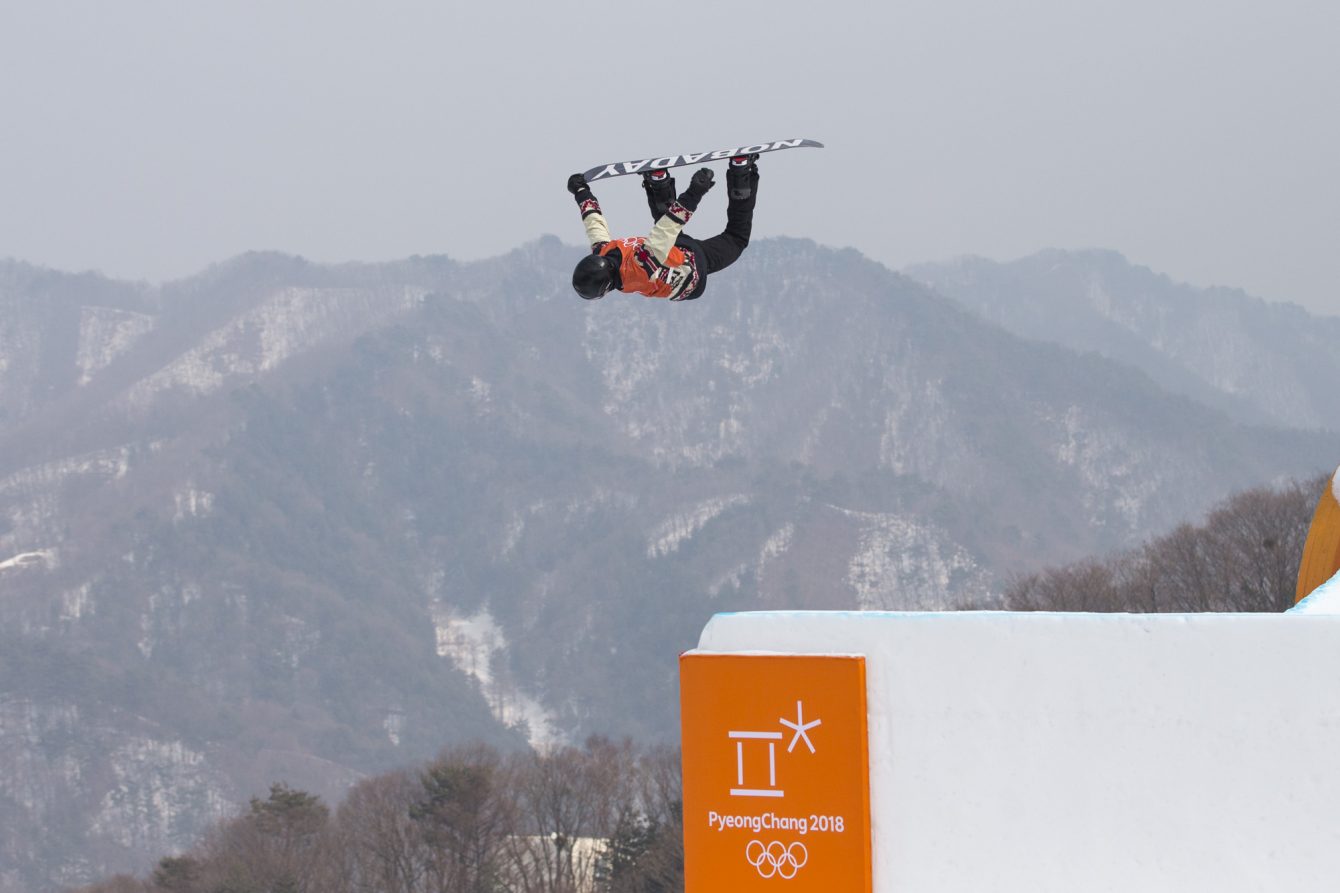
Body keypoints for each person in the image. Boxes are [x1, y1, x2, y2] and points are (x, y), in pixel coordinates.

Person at [566, 155, 760, 302]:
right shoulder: (625, 260)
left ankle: (739, 174)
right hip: (688, 267)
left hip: (682, 258)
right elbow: (669, 225)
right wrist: (695, 192)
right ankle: (662, 184)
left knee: (736, 237)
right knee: (669, 233)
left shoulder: (627, 261)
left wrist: (581, 191)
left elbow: (594, 223)